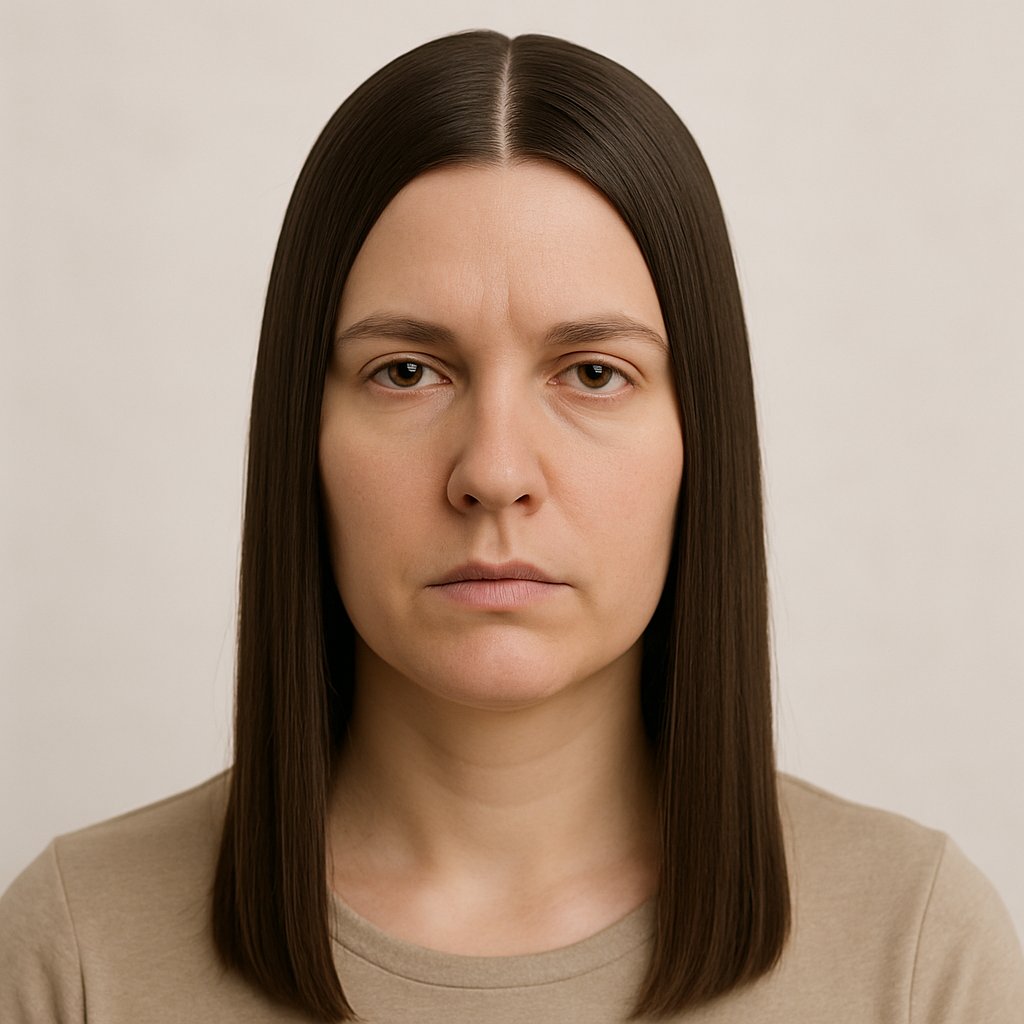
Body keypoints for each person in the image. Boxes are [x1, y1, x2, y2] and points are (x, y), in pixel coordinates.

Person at [1, 28, 1021, 1024]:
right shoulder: (76, 955)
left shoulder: (917, 957)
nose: (493, 472)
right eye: (405, 372)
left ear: (697, 438)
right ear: (300, 437)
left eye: (590, 373)